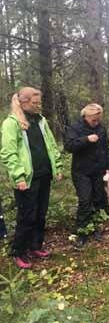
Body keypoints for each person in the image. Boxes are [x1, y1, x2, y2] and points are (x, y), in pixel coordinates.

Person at [0, 87, 63, 269]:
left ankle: (35, 246)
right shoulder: (11, 123)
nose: (38, 106)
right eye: (35, 103)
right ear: (23, 102)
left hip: (44, 175)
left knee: (41, 214)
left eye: (39, 102)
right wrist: (18, 175)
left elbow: (50, 144)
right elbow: (8, 153)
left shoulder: (41, 121)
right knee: (27, 216)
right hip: (26, 179)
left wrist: (56, 167)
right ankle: (18, 251)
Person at [64, 103, 109, 246]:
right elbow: (68, 146)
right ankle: (82, 231)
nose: (96, 122)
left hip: (98, 171)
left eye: (98, 119)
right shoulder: (76, 127)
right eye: (94, 120)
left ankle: (95, 227)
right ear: (86, 116)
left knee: (98, 199)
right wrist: (86, 139)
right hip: (81, 172)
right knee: (85, 201)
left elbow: (106, 149)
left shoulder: (101, 129)